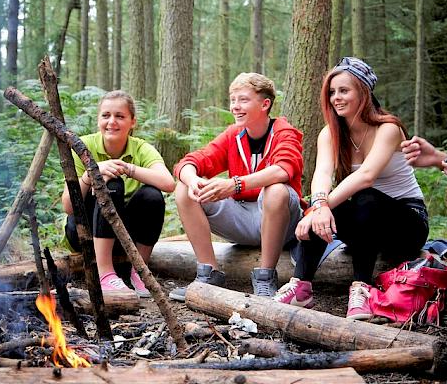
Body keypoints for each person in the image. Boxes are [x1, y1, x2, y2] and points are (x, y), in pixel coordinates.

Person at [274, 57, 429, 320]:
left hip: (407, 223)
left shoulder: (388, 128)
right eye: (332, 92)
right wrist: (318, 207)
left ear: (363, 92)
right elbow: (322, 173)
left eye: (344, 91)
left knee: (363, 198)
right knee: (320, 208)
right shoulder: (330, 133)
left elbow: (367, 176)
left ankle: (362, 289)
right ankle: (301, 287)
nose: (336, 98)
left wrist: (320, 207)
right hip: (366, 219)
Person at [169, 72, 304, 301]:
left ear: (265, 104)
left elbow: (283, 170)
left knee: (276, 189)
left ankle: (265, 278)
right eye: (233, 100)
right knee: (184, 189)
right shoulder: (234, 135)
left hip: (282, 222)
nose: (235, 107)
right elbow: (189, 162)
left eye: (243, 100)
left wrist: (234, 185)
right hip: (242, 219)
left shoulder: (284, 132)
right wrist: (193, 181)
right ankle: (208, 274)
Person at [62, 90, 175, 297]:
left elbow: (168, 183)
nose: (111, 122)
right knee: (112, 184)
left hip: (124, 236)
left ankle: (139, 271)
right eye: (106, 115)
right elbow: (69, 207)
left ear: (133, 122)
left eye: (120, 116)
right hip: (84, 232)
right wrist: (92, 174)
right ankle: (105, 274)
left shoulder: (141, 148)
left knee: (152, 195)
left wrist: (126, 168)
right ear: (98, 119)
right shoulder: (82, 146)